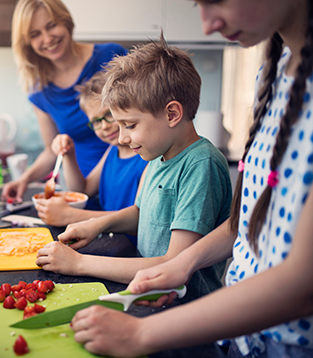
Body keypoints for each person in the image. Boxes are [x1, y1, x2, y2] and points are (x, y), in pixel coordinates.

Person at [67, 1, 313, 357]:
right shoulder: (272, 76)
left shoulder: (200, 162)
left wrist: (140, 333)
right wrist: (181, 265)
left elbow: (302, 285)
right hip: (241, 336)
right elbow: (245, 223)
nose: (207, 24)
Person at [36, 36, 233, 302]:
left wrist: (78, 263)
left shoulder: (200, 165)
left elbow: (173, 264)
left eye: (129, 125)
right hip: (146, 292)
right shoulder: (158, 154)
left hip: (183, 307)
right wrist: (95, 225)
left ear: (172, 114)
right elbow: (142, 212)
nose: (121, 138)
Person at [1, 0, 127, 203]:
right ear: (27, 43)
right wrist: (24, 179)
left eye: (51, 26)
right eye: (35, 34)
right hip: (83, 191)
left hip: (129, 177)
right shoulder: (40, 91)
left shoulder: (111, 56)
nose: (47, 38)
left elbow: (143, 116)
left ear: (66, 21)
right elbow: (52, 150)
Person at [33, 71, 148, 239]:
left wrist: (70, 215)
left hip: (132, 251)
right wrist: (69, 155)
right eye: (95, 121)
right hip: (112, 241)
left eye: (109, 115)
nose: (104, 126)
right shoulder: (113, 151)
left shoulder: (146, 156)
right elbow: (82, 190)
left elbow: (139, 220)